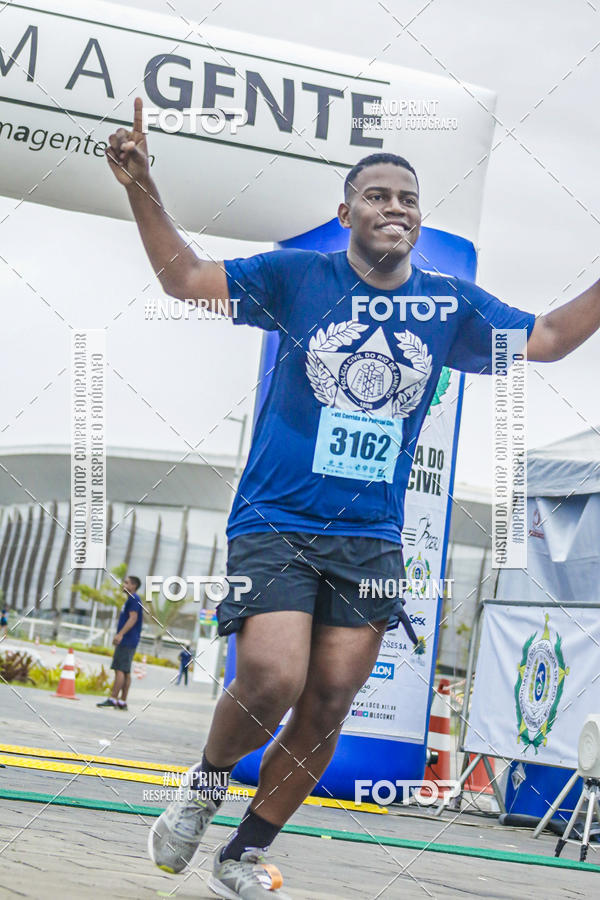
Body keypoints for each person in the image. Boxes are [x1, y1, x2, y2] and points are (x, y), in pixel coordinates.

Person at [105, 99, 600, 897]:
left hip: (369, 535)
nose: (394, 208)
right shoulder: (297, 277)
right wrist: (141, 187)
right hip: (277, 518)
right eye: (377, 196)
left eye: (407, 198)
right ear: (346, 214)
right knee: (272, 678)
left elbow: (544, 339)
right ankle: (200, 792)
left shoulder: (449, 306)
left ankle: (243, 852)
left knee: (329, 702)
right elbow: (188, 280)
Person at [97, 575, 143, 711]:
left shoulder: (134, 599)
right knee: (126, 670)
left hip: (127, 640)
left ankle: (112, 698)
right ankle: (122, 702)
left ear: (133, 586)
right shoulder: (132, 599)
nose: (124, 584)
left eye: (127, 583)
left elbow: (133, 618)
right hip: (130, 640)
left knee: (119, 669)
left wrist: (120, 634)